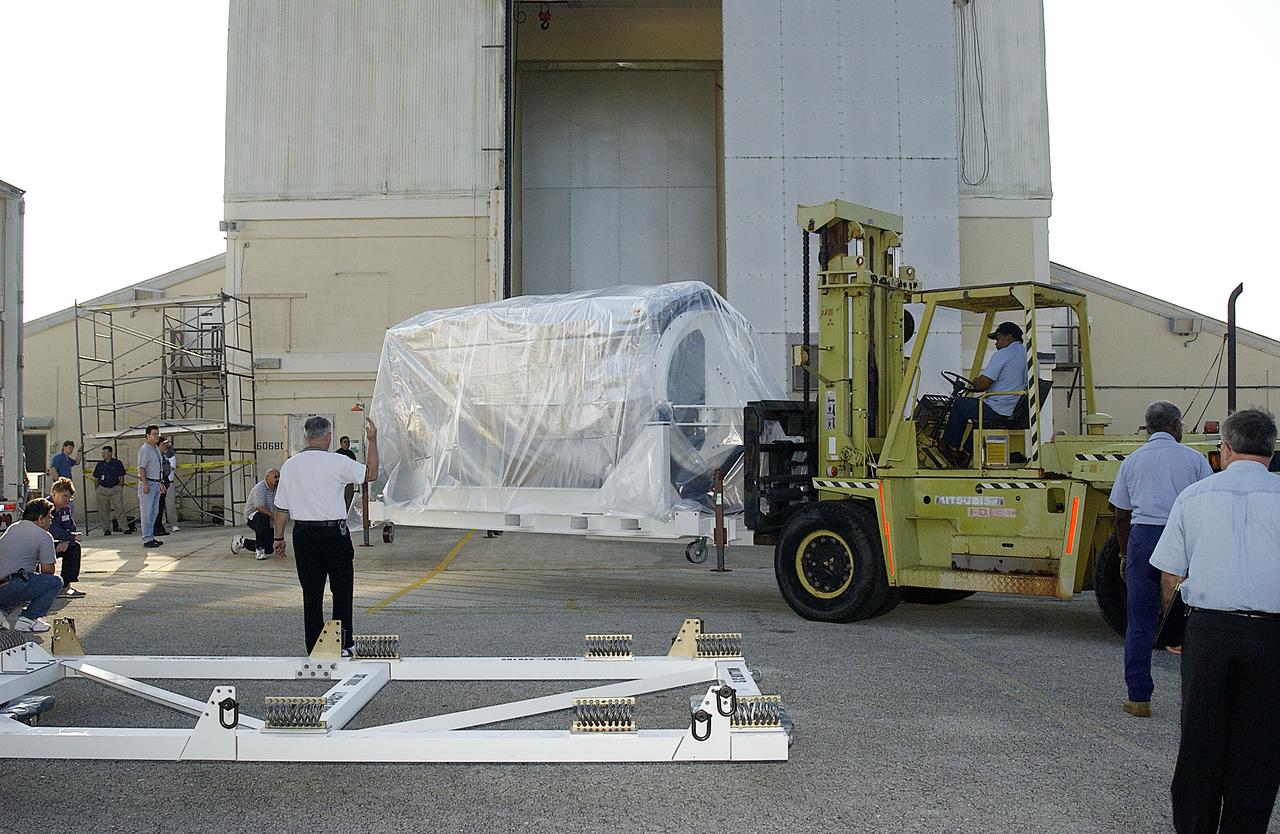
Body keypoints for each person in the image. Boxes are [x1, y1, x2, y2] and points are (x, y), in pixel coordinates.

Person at [1151, 408, 1280, 833]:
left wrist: (1176, 629)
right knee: (1259, 748)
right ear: (1271, 450)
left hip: (1208, 632)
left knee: (1199, 743)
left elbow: (1171, 573)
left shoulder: (1194, 496)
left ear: (1224, 449)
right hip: (1271, 636)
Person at [1108, 401, 1212, 718]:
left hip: (1143, 539)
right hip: (1180, 537)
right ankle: (1197, 699)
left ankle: (1138, 698)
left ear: (1148, 427)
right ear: (1176, 425)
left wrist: (1124, 554)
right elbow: (1207, 505)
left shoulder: (1132, 461)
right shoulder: (1194, 459)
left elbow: (1121, 516)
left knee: (1139, 621)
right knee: (1191, 620)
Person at [273, 416, 379, 655]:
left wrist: (278, 538)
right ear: (329, 436)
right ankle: (343, 644)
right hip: (334, 534)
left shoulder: (290, 465)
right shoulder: (338, 462)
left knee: (311, 594)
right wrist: (372, 441)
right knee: (341, 590)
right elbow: (371, 473)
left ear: (306, 436)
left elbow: (281, 508)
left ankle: (314, 647)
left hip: (303, 534)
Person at [942, 321, 1028, 457]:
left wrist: (975, 381)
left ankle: (949, 447)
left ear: (1009, 337)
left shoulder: (1004, 354)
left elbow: (981, 385)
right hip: (1015, 409)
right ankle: (966, 454)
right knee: (977, 413)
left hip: (998, 408)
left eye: (998, 339)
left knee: (960, 404)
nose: (996, 344)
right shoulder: (1030, 356)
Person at [0, 498, 65, 634]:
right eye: (49, 517)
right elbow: (48, 571)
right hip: (13, 583)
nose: (51, 520)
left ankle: (1, 613)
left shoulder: (13, 527)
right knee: (55, 582)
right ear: (40, 519)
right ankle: (28, 619)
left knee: (19, 584)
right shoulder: (44, 536)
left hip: (3, 584)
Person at [46, 478, 85, 599]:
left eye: (69, 497)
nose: (67, 500)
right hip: (40, 544)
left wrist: (67, 540)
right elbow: (51, 529)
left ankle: (65, 586)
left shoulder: (65, 509)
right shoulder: (44, 507)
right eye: (64, 496)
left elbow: (70, 527)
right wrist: (72, 537)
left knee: (74, 548)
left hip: (58, 543)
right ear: (54, 494)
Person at [136, 425, 165, 549]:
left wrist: (160, 482)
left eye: (157, 434)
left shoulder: (156, 449)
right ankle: (147, 538)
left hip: (156, 483)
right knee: (146, 513)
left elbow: (158, 468)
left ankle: (151, 536)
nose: (156, 436)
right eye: (154, 434)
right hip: (148, 483)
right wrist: (145, 483)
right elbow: (141, 467)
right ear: (147, 435)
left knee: (154, 512)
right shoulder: (145, 449)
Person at [92, 445, 129, 536]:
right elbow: (96, 477)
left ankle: (125, 528)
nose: (103, 454)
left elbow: (121, 476)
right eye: (102, 453)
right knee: (103, 510)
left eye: (105, 452)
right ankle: (106, 529)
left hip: (115, 488)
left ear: (110, 453)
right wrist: (97, 488)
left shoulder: (117, 463)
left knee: (119, 509)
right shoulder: (100, 464)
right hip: (102, 489)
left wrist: (120, 487)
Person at [244, 469, 280, 561]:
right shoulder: (259, 488)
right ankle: (259, 549)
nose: (278, 479)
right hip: (253, 517)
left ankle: (242, 542)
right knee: (262, 516)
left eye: (279, 477)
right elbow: (260, 508)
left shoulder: (278, 489)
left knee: (270, 548)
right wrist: (275, 517)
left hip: (269, 519)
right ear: (267, 478)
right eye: (275, 477)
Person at [156, 438, 179, 534]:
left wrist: (168, 445)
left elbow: (171, 456)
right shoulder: (157, 456)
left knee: (170, 504)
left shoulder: (170, 456)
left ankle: (174, 524)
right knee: (159, 505)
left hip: (169, 482)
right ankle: (162, 523)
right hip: (160, 483)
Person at [336, 435, 358, 510]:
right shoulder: (337, 454)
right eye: (345, 442)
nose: (347, 443)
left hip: (349, 481)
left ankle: (347, 513)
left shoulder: (351, 454)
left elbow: (354, 466)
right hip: (340, 481)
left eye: (348, 442)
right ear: (341, 443)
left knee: (349, 499)